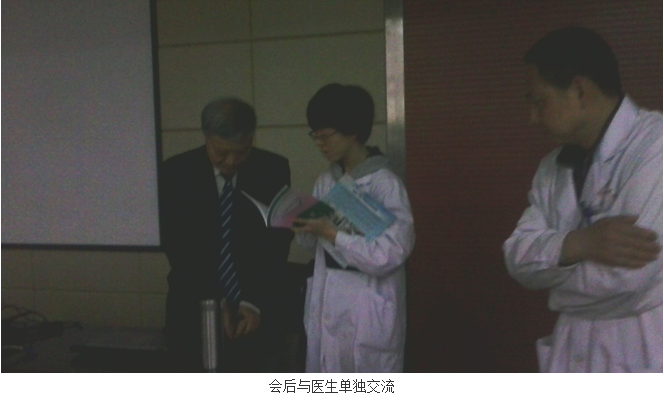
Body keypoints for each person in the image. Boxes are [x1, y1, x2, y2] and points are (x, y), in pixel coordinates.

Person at [503, 26, 662, 372]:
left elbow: (630, 280)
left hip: (642, 353)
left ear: (579, 90)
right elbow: (516, 256)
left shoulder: (655, 146)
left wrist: (555, 288)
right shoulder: (553, 167)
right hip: (573, 350)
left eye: (539, 101)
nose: (532, 118)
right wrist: (578, 244)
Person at [160, 97, 293, 372]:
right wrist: (212, 301)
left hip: (257, 308)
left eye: (241, 152)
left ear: (251, 139)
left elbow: (277, 242)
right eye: (221, 153)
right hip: (192, 305)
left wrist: (253, 301)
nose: (231, 161)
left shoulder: (273, 169)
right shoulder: (176, 173)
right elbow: (179, 247)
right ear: (206, 137)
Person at [293, 83, 415, 372]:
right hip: (330, 302)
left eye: (325, 136)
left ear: (352, 131)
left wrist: (331, 233)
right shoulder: (326, 180)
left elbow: (391, 254)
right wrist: (302, 226)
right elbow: (311, 246)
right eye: (315, 136)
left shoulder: (385, 184)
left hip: (368, 306)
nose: (320, 143)